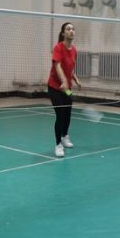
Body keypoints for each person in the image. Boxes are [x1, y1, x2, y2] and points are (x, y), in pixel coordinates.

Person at [47, 22, 81, 157]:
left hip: (67, 88)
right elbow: (58, 66)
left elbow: (70, 69)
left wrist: (75, 79)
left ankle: (65, 136)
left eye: (73, 29)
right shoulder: (58, 48)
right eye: (68, 29)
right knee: (60, 114)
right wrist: (64, 81)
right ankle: (58, 144)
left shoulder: (74, 50)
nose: (71, 31)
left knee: (68, 112)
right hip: (55, 87)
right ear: (63, 33)